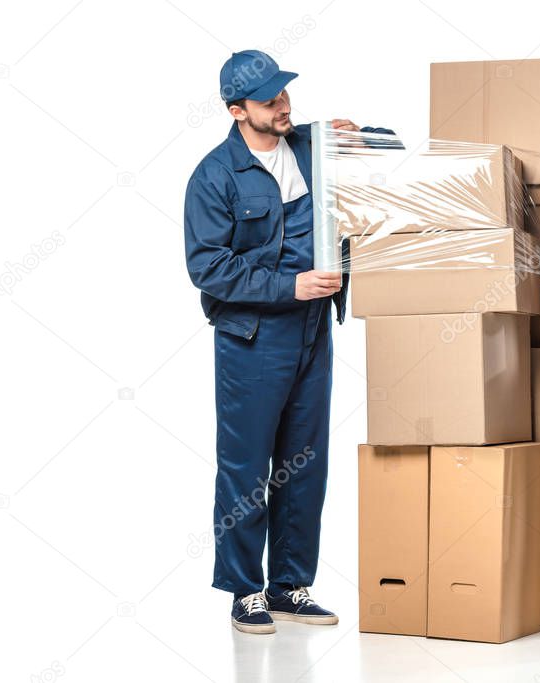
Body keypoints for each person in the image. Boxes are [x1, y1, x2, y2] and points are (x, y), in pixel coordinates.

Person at [183, 49, 394, 634]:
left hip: (312, 332)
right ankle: (245, 591)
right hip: (252, 337)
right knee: (248, 466)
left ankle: (291, 586)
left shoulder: (308, 146)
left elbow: (394, 152)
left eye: (285, 95)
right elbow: (208, 267)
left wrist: (356, 135)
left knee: (305, 462)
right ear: (235, 111)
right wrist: (292, 284)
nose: (284, 105)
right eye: (269, 100)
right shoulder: (215, 176)